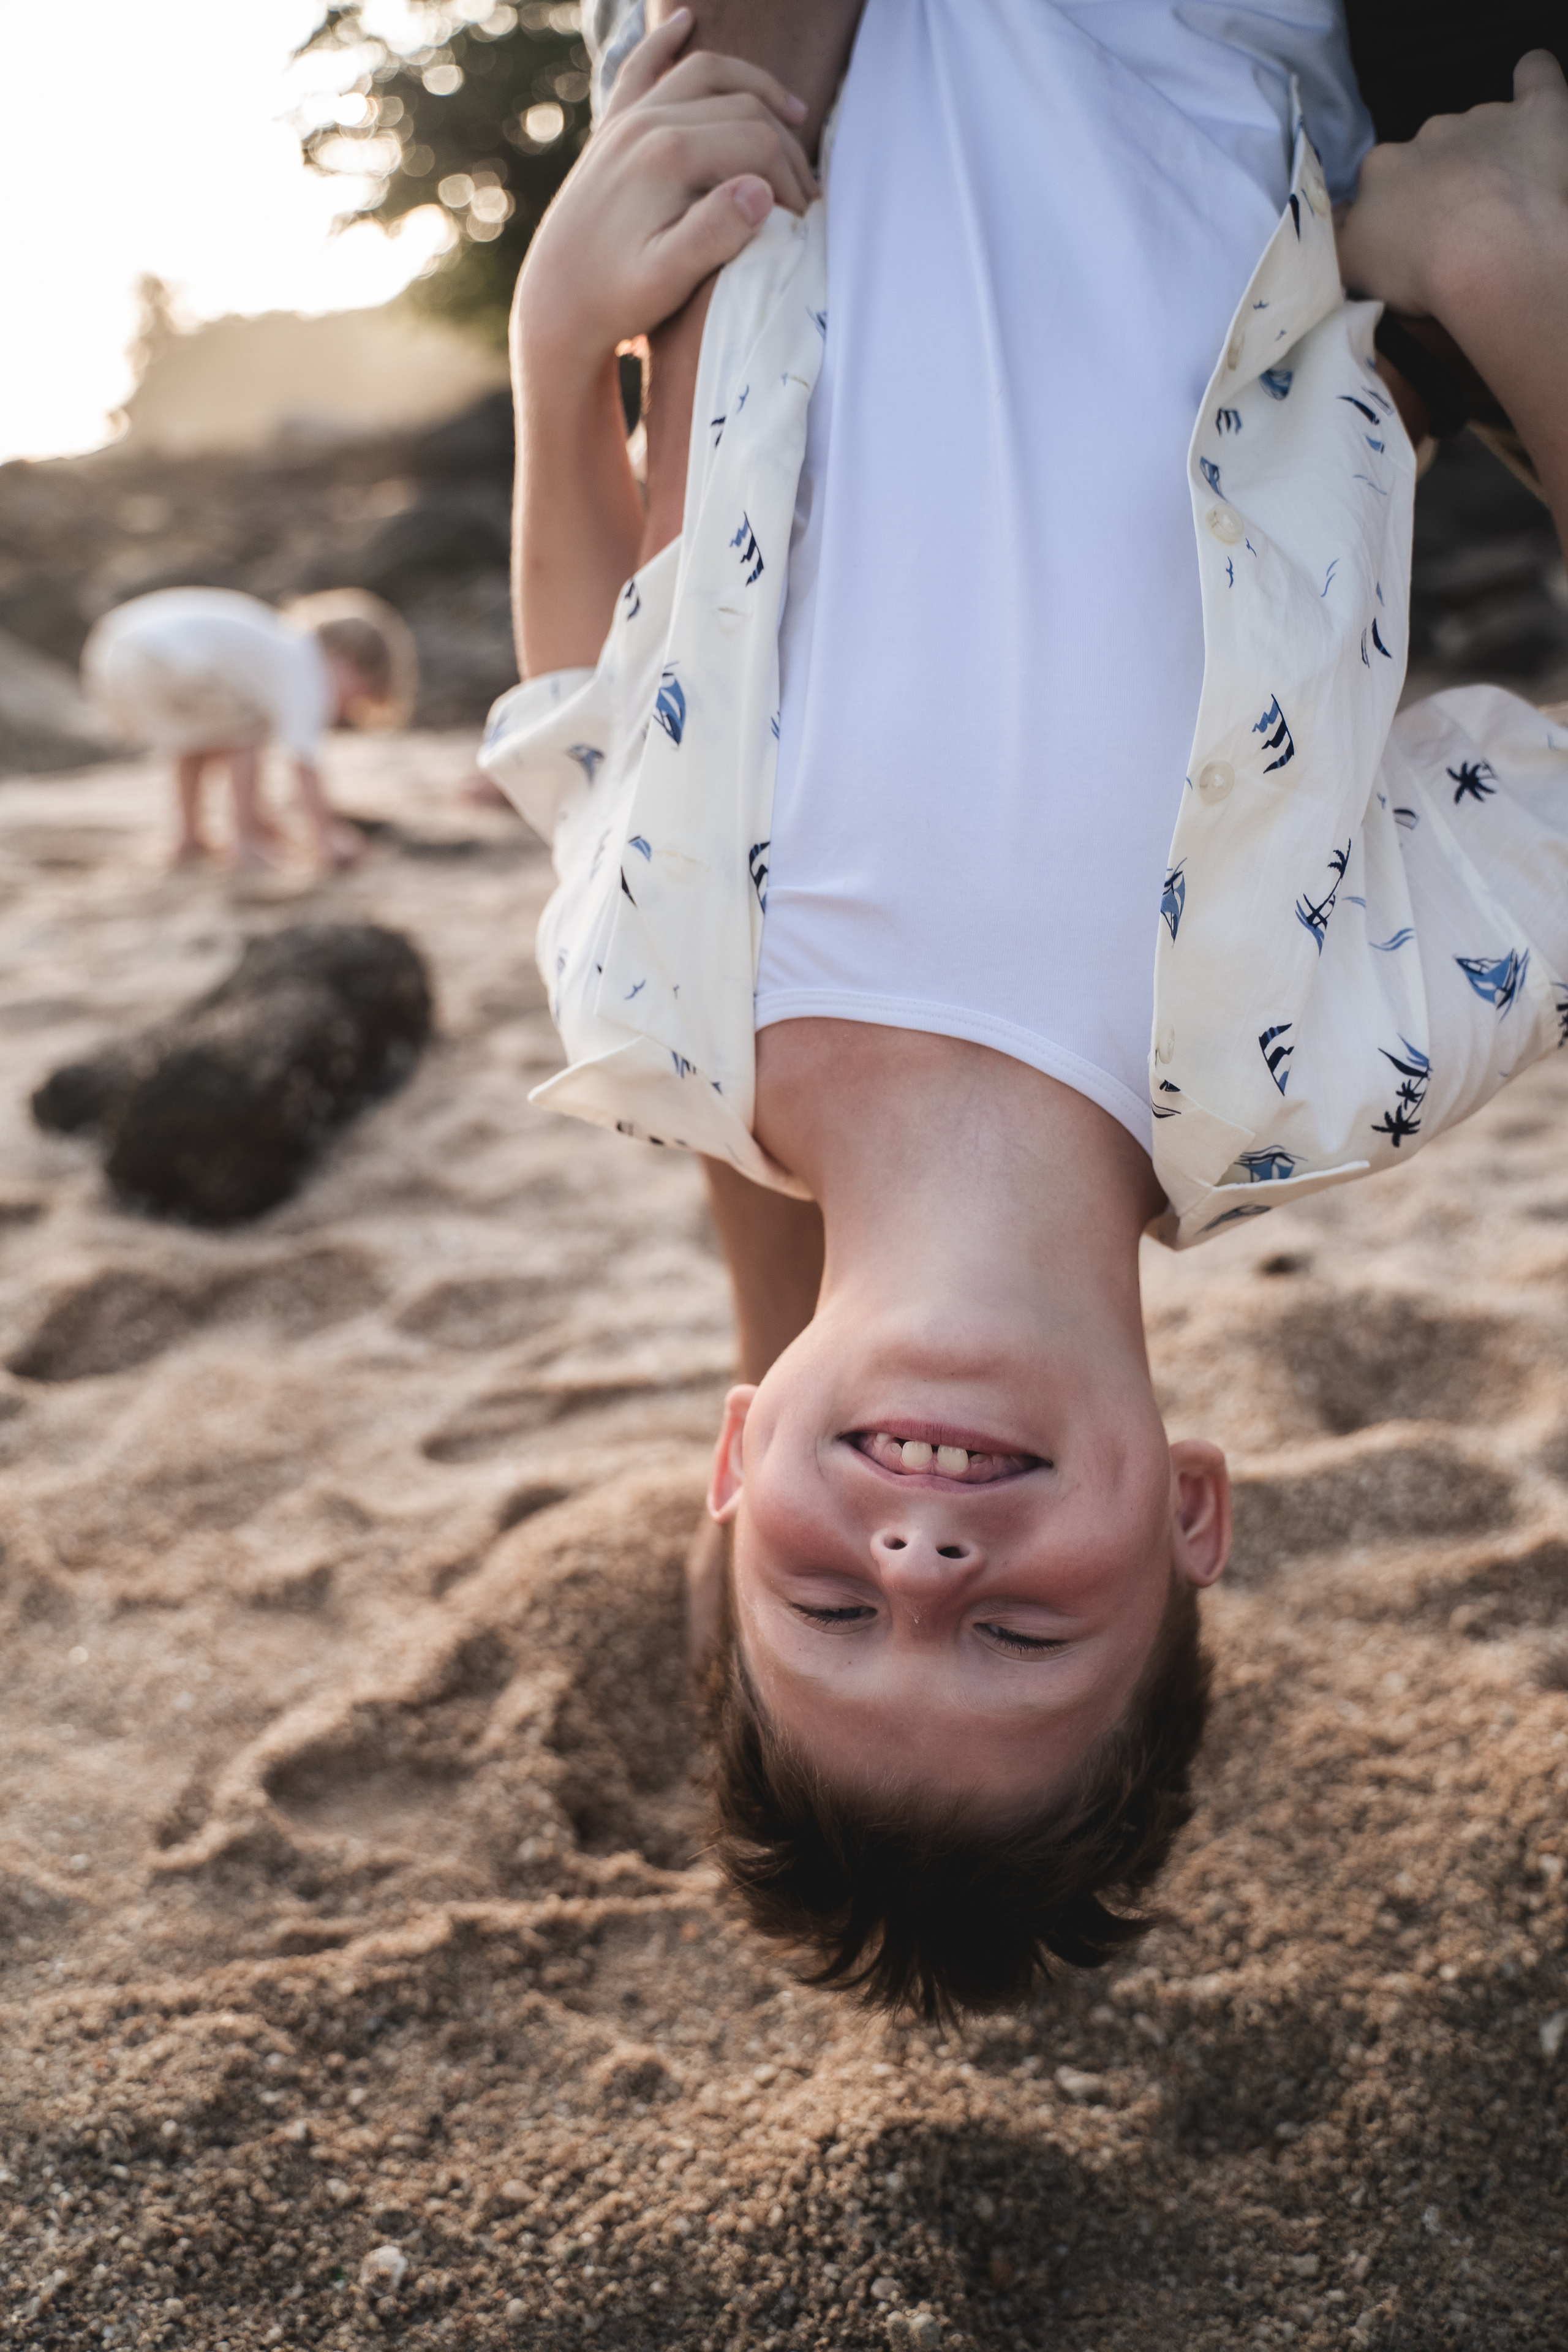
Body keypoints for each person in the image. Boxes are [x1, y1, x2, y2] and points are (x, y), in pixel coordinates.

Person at [483, 1, 1568, 2016]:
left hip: (800, 79)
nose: (920, 1576)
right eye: (1019, 1647)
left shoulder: (656, 1022)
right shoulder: (1330, 1058)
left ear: (731, 1462)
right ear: (1193, 1517)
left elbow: (588, 704)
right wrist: (1512, 290)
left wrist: (558, 355)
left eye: (826, 1602)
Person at [82, 585, 417, 872]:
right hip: (162, 657)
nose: (347, 710)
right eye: (358, 695)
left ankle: (188, 837)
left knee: (197, 740)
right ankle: (245, 841)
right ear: (347, 660)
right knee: (248, 730)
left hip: (111, 650)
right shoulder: (307, 665)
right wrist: (326, 835)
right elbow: (304, 763)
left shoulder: (273, 640)